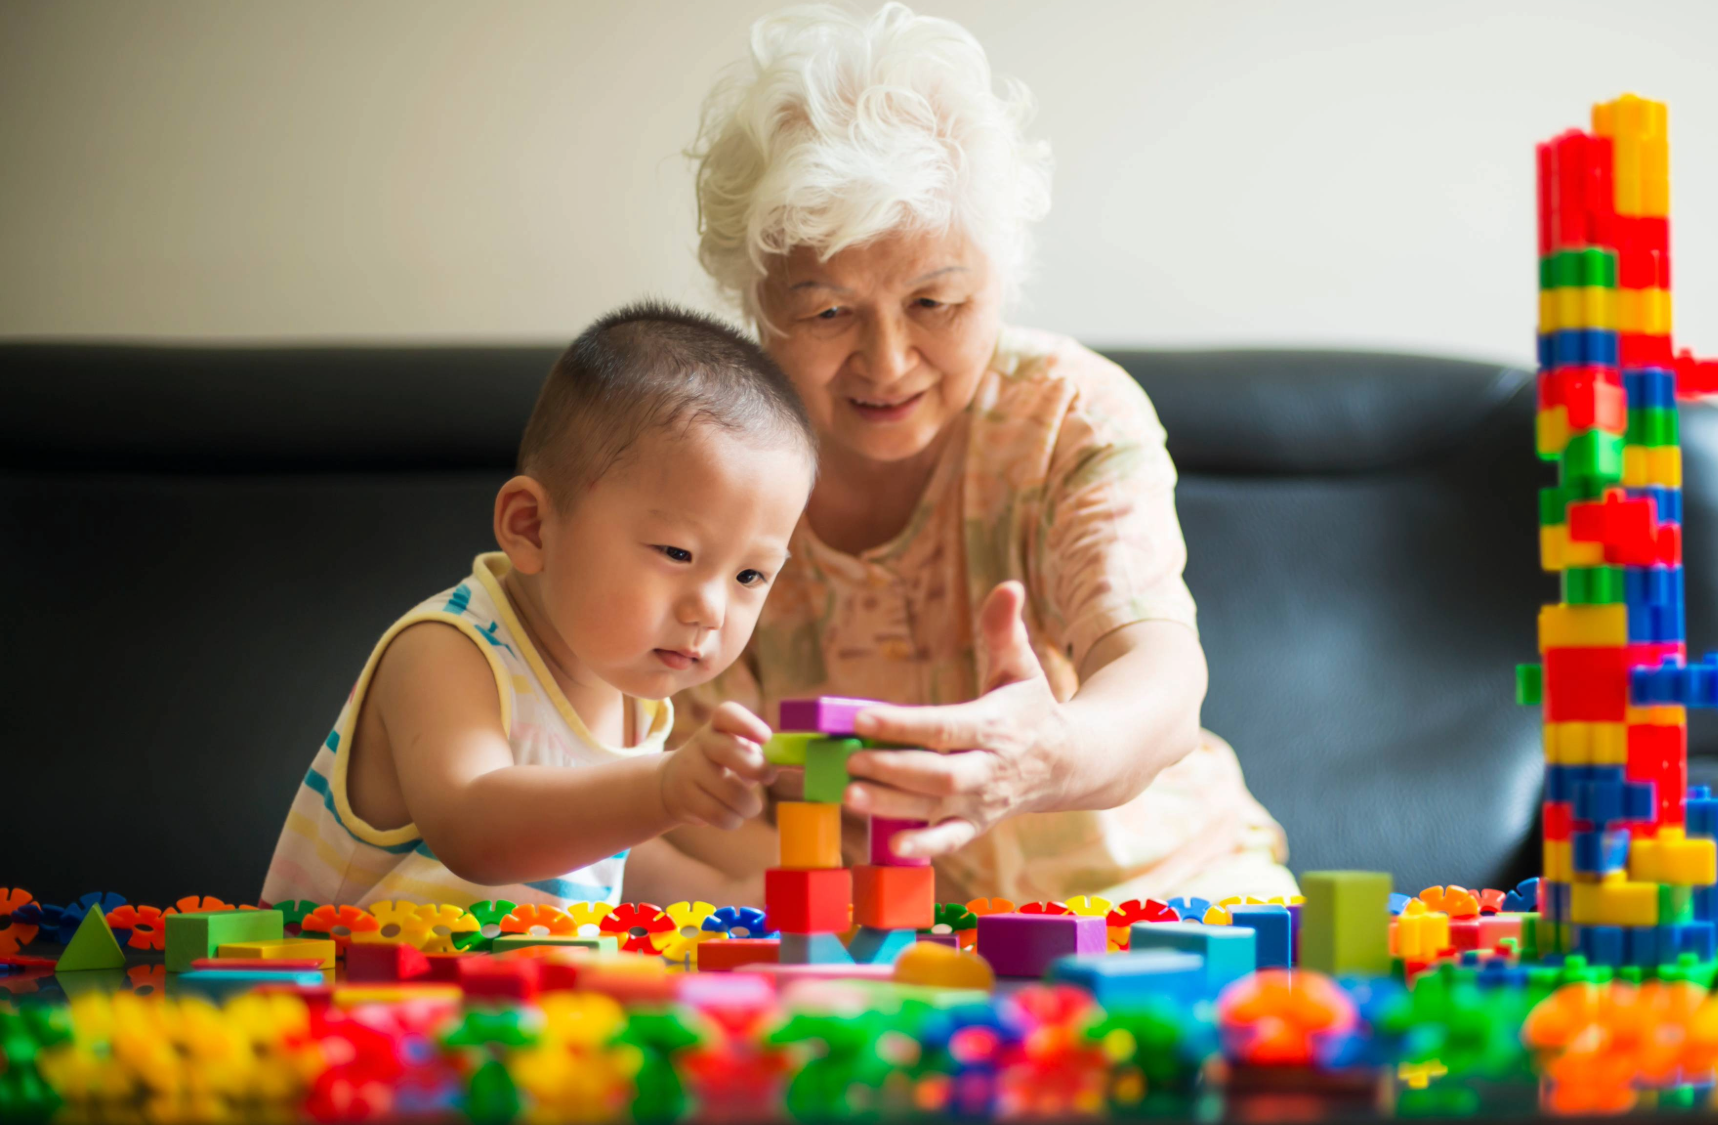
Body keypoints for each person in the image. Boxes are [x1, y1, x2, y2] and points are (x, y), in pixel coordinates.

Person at [664, 3, 1299, 904]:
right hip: (873, 943)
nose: (886, 363)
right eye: (827, 311)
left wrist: (1053, 754)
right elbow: (673, 795)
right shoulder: (700, 462)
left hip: (1165, 899)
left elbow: (1157, 671)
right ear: (754, 300)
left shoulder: (1071, 414)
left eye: (937, 303)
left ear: (1000, 278)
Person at [259, 301, 817, 908]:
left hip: (514, 999)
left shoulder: (630, 691)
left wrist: (741, 893)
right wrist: (662, 790)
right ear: (531, 528)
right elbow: (475, 830)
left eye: (751, 574)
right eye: (677, 553)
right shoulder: (445, 652)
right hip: (338, 990)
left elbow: (601, 860)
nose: (711, 609)